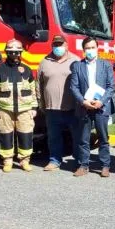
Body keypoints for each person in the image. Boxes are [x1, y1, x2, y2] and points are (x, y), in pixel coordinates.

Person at [0, 39, 38, 172]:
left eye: (17, 51)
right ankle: (7, 160)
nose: (14, 54)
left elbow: (33, 90)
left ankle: (24, 160)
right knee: (5, 135)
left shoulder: (26, 70)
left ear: (21, 52)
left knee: (26, 135)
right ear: (6, 52)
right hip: (5, 109)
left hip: (25, 109)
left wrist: (34, 107)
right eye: (11, 51)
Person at [69, 36, 115, 177]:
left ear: (97, 48)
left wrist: (101, 101)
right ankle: (83, 165)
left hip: (101, 106)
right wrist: (83, 102)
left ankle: (105, 165)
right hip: (85, 107)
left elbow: (111, 86)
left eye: (92, 48)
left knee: (103, 137)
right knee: (83, 138)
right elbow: (74, 87)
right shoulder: (78, 66)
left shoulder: (106, 65)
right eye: (87, 48)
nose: (90, 50)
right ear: (83, 50)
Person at [36, 35, 81, 171]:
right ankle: (54, 160)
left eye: (60, 44)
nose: (58, 47)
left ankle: (80, 162)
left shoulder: (75, 61)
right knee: (53, 137)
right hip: (51, 108)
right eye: (55, 45)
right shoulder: (44, 61)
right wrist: (40, 103)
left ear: (67, 45)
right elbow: (38, 84)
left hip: (72, 107)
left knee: (77, 136)